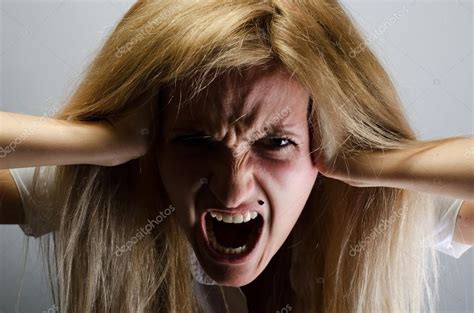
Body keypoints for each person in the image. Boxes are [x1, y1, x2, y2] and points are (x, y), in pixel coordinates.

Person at [0, 1, 473, 312]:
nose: (232, 188)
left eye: (275, 143)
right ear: (151, 146)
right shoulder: (120, 192)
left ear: (325, 147)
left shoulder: (374, 214)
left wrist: (377, 162)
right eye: (196, 142)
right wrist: (99, 143)